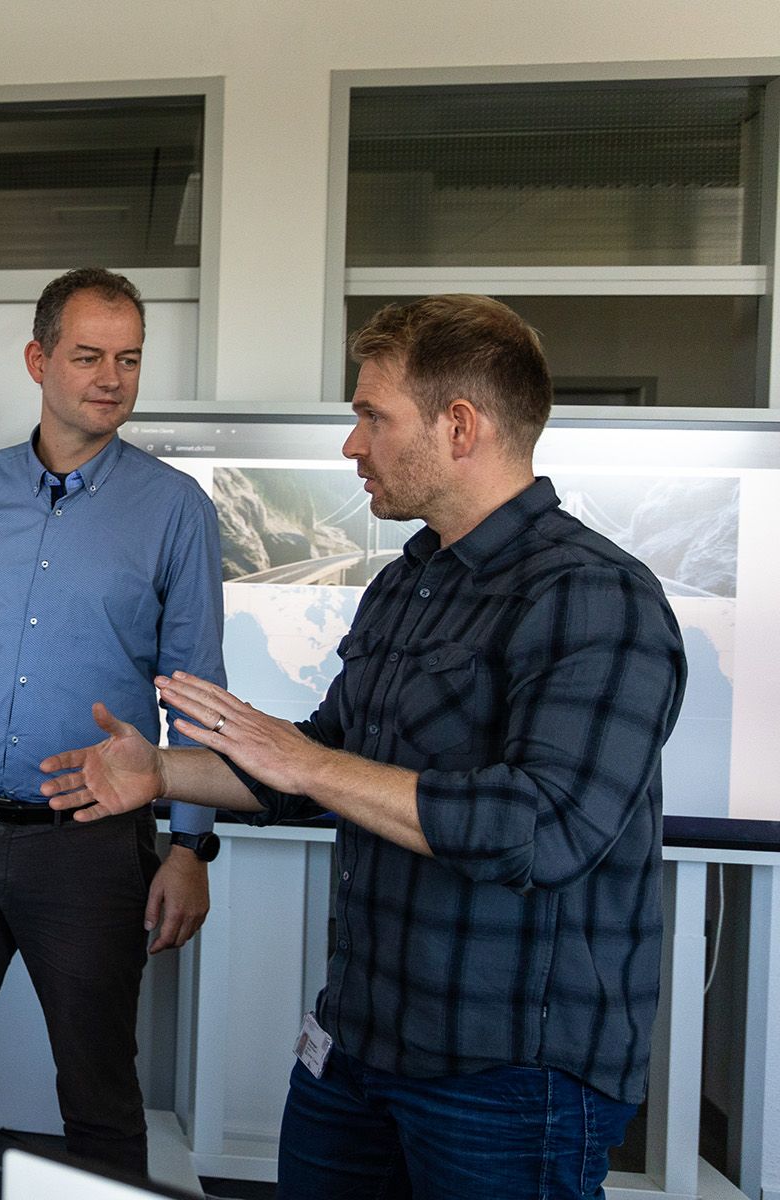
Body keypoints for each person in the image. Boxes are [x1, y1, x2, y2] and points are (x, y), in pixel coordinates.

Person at [38, 294, 687, 1199]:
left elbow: (544, 830)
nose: (352, 445)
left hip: (507, 1078)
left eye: (371, 416)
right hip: (358, 1046)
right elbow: (323, 766)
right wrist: (160, 773)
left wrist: (303, 760)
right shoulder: (409, 581)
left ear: (459, 427)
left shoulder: (595, 598)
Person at [0, 267, 226, 1198]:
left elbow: (197, 690)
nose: (111, 377)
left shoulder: (174, 508)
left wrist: (190, 849)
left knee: (99, 1101)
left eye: (130, 359)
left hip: (92, 852)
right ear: (38, 359)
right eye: (89, 355)